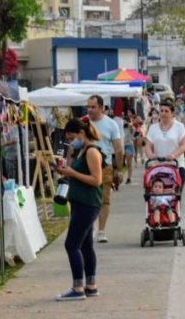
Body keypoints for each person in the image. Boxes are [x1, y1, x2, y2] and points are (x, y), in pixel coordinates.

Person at [55, 118, 104, 301]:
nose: (71, 141)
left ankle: (78, 287)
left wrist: (72, 173)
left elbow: (96, 180)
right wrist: (67, 171)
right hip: (81, 202)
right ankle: (91, 285)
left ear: (82, 134)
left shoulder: (91, 151)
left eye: (72, 137)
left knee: (71, 244)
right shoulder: (81, 150)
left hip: (88, 203)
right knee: (85, 245)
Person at [87, 95, 123, 243]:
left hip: (105, 166)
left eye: (93, 107)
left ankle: (101, 230)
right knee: (88, 199)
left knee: (104, 199)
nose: (90, 110)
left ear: (101, 108)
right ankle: (89, 227)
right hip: (87, 166)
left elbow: (118, 148)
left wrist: (119, 169)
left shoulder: (111, 124)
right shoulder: (84, 122)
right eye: (88, 107)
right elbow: (75, 143)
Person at [144, 99, 185, 187]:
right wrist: (150, 155)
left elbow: (184, 145)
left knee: (174, 196)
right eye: (161, 111)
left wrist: (173, 155)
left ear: (172, 113)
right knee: (155, 195)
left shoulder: (179, 127)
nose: (163, 113)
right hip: (157, 167)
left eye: (166, 111)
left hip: (176, 166)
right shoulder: (153, 128)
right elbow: (148, 146)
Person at [122, 115, 135, 184]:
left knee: (129, 163)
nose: (123, 122)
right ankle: (119, 177)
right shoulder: (119, 128)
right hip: (121, 146)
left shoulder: (130, 127)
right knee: (120, 163)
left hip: (129, 145)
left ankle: (129, 178)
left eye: (125, 121)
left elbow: (133, 131)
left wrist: (130, 125)